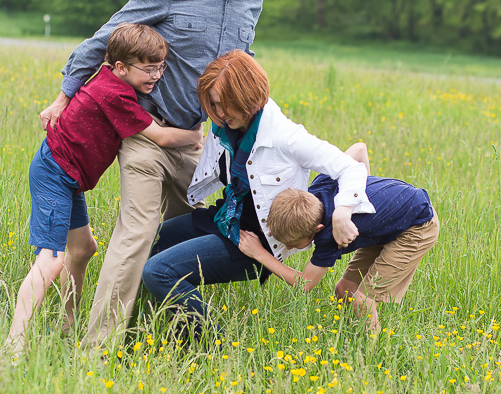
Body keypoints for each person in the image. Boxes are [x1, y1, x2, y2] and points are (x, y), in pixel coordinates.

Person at [37, 0, 277, 347]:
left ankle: (151, 337)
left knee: (179, 251)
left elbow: (244, 66)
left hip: (196, 145)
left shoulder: (253, 2)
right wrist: (65, 93)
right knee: (136, 235)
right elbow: (109, 37)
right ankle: (98, 350)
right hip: (147, 135)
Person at [141, 51, 374, 337]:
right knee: (150, 241)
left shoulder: (286, 137)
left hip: (257, 239)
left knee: (158, 271)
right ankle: (155, 329)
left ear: (248, 96)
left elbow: (351, 168)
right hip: (227, 217)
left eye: (227, 104)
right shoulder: (225, 126)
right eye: (213, 104)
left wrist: (342, 212)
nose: (221, 113)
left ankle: (215, 347)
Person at [4, 24, 203, 356]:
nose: (156, 76)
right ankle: (13, 345)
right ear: (121, 68)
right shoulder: (115, 93)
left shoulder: (112, 80)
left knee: (82, 250)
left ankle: (66, 327)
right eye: (149, 69)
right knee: (51, 262)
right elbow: (164, 138)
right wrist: (197, 136)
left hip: (69, 176)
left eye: (161, 67)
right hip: (55, 172)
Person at [238, 144, 439, 333]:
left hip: (417, 226)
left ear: (317, 229)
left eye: (293, 243)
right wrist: (360, 203)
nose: (288, 247)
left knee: (362, 300)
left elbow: (305, 284)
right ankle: (350, 334)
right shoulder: (321, 184)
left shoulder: (329, 236)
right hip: (390, 223)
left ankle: (372, 355)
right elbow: (359, 149)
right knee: (344, 289)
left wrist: (260, 254)